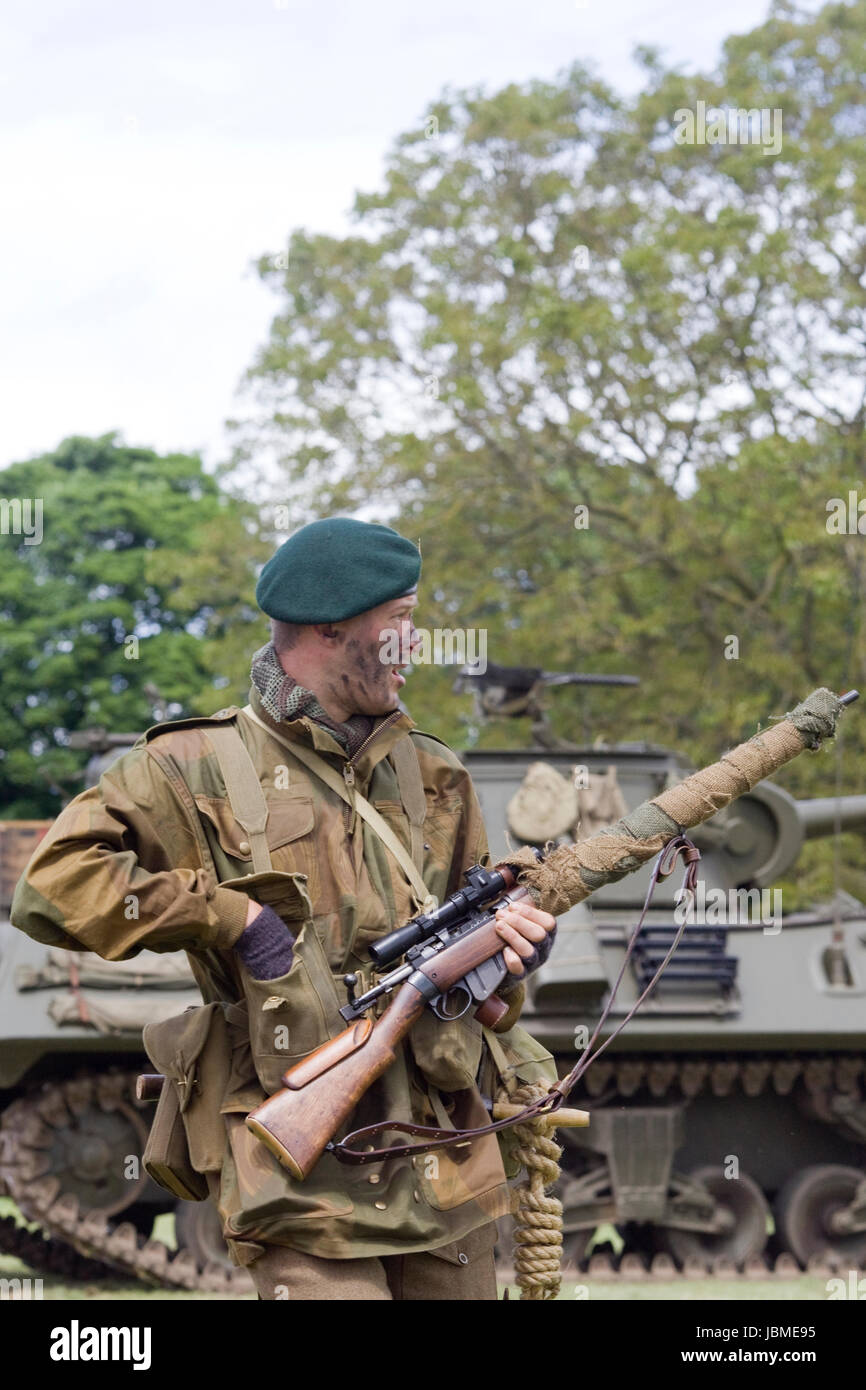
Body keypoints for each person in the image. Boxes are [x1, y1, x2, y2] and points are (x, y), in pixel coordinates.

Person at [11, 517, 558, 1301]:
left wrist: (510, 964)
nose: (418, 644)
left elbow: (484, 982)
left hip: (442, 1160)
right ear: (331, 629)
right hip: (299, 1172)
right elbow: (55, 883)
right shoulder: (188, 766)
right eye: (401, 622)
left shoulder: (436, 775)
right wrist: (232, 920)